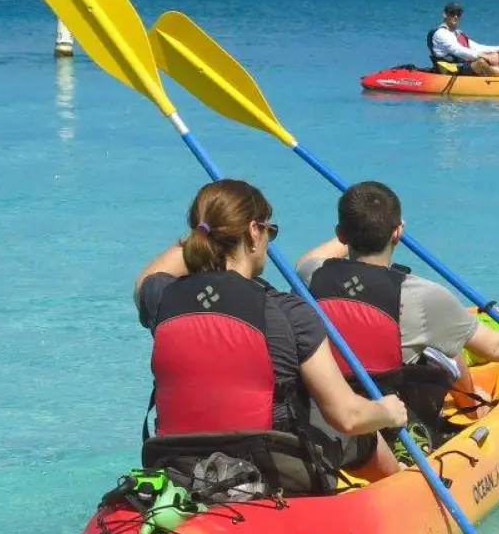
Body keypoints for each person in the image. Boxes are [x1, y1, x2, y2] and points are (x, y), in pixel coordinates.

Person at [134, 179, 407, 483]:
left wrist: (205, 228)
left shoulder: (162, 298)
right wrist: (387, 412)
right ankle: (397, 484)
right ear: (254, 231)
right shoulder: (290, 314)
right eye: (268, 231)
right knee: (353, 430)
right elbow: (347, 415)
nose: (268, 241)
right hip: (266, 466)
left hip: (178, 461)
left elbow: (149, 276)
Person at [296, 181, 499, 444]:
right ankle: (470, 403)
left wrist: (356, 226)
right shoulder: (422, 295)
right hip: (391, 414)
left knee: (443, 328)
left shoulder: (311, 277)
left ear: (341, 234)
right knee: (445, 337)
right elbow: (494, 347)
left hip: (327, 407)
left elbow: (308, 259)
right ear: (398, 232)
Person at [428, 1, 499, 78]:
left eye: (459, 13)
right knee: (482, 62)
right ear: (445, 15)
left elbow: (476, 47)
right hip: (451, 71)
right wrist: (482, 56)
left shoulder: (458, 33)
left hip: (463, 67)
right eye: (452, 13)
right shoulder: (441, 34)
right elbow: (458, 50)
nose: (456, 16)